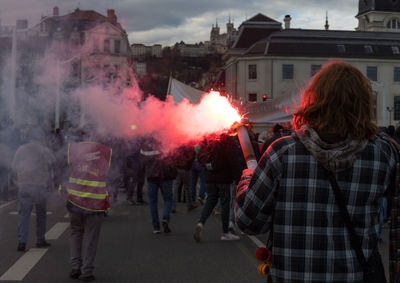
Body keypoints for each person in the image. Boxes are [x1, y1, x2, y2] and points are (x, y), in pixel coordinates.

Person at [235, 61, 397, 282]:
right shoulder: (383, 154)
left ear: (314, 100)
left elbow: (248, 221)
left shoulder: (282, 153)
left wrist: (248, 177)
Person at [61, 132, 112, 281]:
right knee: (91, 237)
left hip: (74, 199)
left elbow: (64, 172)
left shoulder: (73, 150)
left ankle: (75, 267)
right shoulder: (104, 151)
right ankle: (87, 271)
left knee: (76, 233)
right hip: (94, 202)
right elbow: (111, 174)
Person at [11, 129, 55, 252]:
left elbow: (14, 166)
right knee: (41, 214)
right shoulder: (44, 150)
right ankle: (40, 239)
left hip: (24, 184)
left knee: (23, 214)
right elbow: (53, 163)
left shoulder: (21, 149)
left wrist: (19, 178)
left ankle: (22, 241)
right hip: (40, 185)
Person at [193, 132, 242, 242]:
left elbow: (200, 156)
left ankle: (201, 223)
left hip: (210, 178)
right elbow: (234, 160)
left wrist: (208, 168)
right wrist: (238, 178)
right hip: (224, 178)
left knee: (210, 201)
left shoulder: (207, 138)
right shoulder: (227, 140)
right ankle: (225, 233)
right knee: (225, 204)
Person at [140, 137, 177, 234]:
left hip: (151, 177)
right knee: (168, 199)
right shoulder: (168, 139)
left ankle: (156, 227)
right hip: (166, 176)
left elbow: (142, 161)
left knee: (152, 202)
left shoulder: (146, 143)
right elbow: (175, 157)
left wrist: (146, 172)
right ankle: (165, 218)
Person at [171, 143, 197, 212]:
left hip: (177, 168)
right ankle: (190, 205)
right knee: (188, 188)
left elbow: (172, 155)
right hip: (186, 170)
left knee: (175, 188)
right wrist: (188, 165)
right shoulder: (189, 145)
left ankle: (173, 206)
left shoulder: (176, 144)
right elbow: (193, 156)